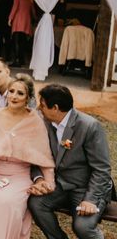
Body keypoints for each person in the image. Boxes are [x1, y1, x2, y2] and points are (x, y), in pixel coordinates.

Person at [0, 75, 55, 239]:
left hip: (18, 174)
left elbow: (45, 158)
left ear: (28, 98)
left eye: (20, 93)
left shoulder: (35, 120)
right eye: (11, 91)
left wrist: (49, 182)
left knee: (6, 202)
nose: (14, 96)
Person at [29, 84, 114, 239]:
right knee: (36, 204)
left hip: (86, 187)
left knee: (82, 227)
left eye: (42, 105)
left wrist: (90, 200)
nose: (39, 109)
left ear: (55, 108)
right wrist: (39, 179)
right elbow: (36, 156)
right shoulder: (44, 122)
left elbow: (102, 169)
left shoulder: (89, 126)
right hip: (60, 185)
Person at [8, 0, 36, 67]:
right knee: (22, 41)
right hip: (26, 21)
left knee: (16, 41)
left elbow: (15, 7)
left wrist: (10, 18)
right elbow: (33, 10)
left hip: (18, 21)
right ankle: (22, 59)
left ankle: (16, 60)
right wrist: (35, 18)